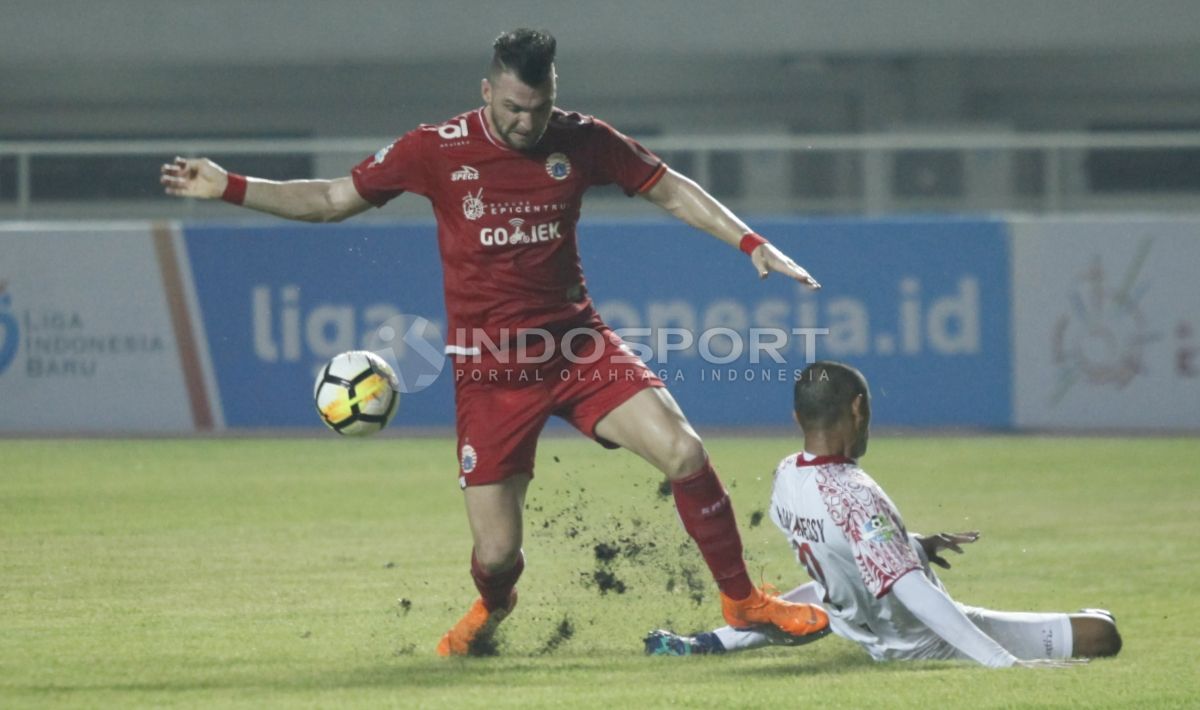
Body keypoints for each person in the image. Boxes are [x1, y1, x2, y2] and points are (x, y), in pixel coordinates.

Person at [161, 28, 829, 656]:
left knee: (684, 452)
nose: (525, 123)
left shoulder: (583, 140)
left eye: (538, 110)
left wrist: (751, 242)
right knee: (498, 552)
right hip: (489, 374)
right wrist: (230, 188)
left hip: (575, 346)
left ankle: (742, 602)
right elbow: (334, 198)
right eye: (513, 108)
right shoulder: (435, 149)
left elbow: (669, 189)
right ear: (487, 93)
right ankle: (494, 603)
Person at [644, 361, 1122, 668]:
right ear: (858, 409)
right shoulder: (855, 494)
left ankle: (711, 642)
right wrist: (1004, 664)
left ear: (797, 420)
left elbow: (841, 547)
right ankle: (1029, 644)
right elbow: (913, 592)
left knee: (825, 591)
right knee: (1103, 630)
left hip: (853, 615)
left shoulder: (786, 475)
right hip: (916, 640)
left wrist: (911, 543)